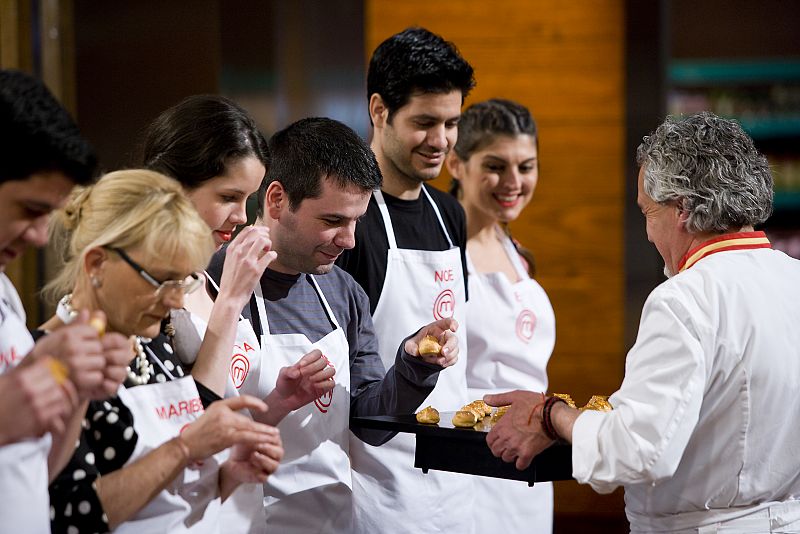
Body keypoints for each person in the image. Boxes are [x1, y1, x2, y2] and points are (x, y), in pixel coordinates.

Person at [485, 112, 800, 533]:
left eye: (648, 214)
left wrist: (551, 415)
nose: (649, 235)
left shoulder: (685, 299)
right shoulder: (793, 279)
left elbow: (638, 451)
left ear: (682, 209)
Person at [207, 116, 460, 533]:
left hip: (334, 519)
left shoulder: (343, 292)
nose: (350, 240)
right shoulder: (214, 283)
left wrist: (414, 365)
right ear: (275, 200)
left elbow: (369, 425)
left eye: (356, 220)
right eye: (332, 221)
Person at [42, 169, 284, 534]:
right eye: (161, 280)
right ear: (96, 265)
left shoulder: (151, 343)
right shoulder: (46, 363)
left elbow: (165, 496)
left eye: (183, 280)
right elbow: (69, 516)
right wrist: (183, 449)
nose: (174, 299)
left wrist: (227, 476)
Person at [141, 95, 333, 533]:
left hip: (233, 511)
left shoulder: (201, 279)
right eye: (228, 196)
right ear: (169, 186)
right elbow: (189, 426)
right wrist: (232, 298)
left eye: (248, 198)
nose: (241, 218)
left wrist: (276, 405)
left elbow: (217, 428)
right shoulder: (145, 292)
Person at [335, 27, 476, 533]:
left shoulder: (450, 214)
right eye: (424, 122)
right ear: (379, 110)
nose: (441, 141)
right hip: (378, 489)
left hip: (459, 482)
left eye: (452, 123)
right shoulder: (349, 224)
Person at [1, 69, 132, 533]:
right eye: (30, 210)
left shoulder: (4, 296)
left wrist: (75, 388)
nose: (40, 236)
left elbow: (35, 473)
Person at [446, 99, 555, 533]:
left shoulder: (519, 254)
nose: (513, 182)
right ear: (456, 163)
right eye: (495, 166)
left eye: (526, 167)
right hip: (466, 467)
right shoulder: (440, 254)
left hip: (531, 470)